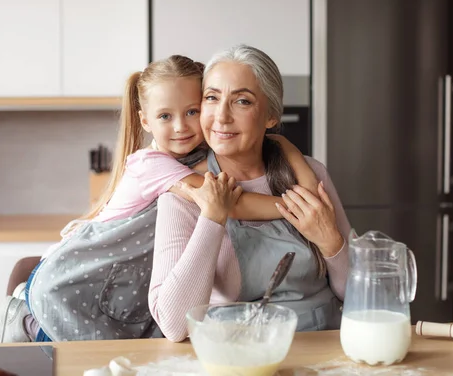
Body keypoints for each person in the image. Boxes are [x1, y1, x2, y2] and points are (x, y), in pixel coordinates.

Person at [0, 54, 322, 343]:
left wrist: (286, 148)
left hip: (118, 283)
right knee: (73, 350)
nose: (181, 127)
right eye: (165, 116)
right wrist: (298, 208)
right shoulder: (152, 165)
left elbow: (266, 148)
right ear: (145, 121)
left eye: (192, 111)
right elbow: (228, 204)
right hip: (71, 279)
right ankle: (24, 320)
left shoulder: (201, 154)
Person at [148, 44, 352, 342]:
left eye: (242, 101)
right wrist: (212, 218)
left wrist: (330, 242)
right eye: (211, 98)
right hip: (238, 356)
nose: (221, 116)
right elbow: (174, 326)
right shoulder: (184, 192)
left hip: (325, 347)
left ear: (270, 116)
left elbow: (363, 296)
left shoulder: (310, 174)